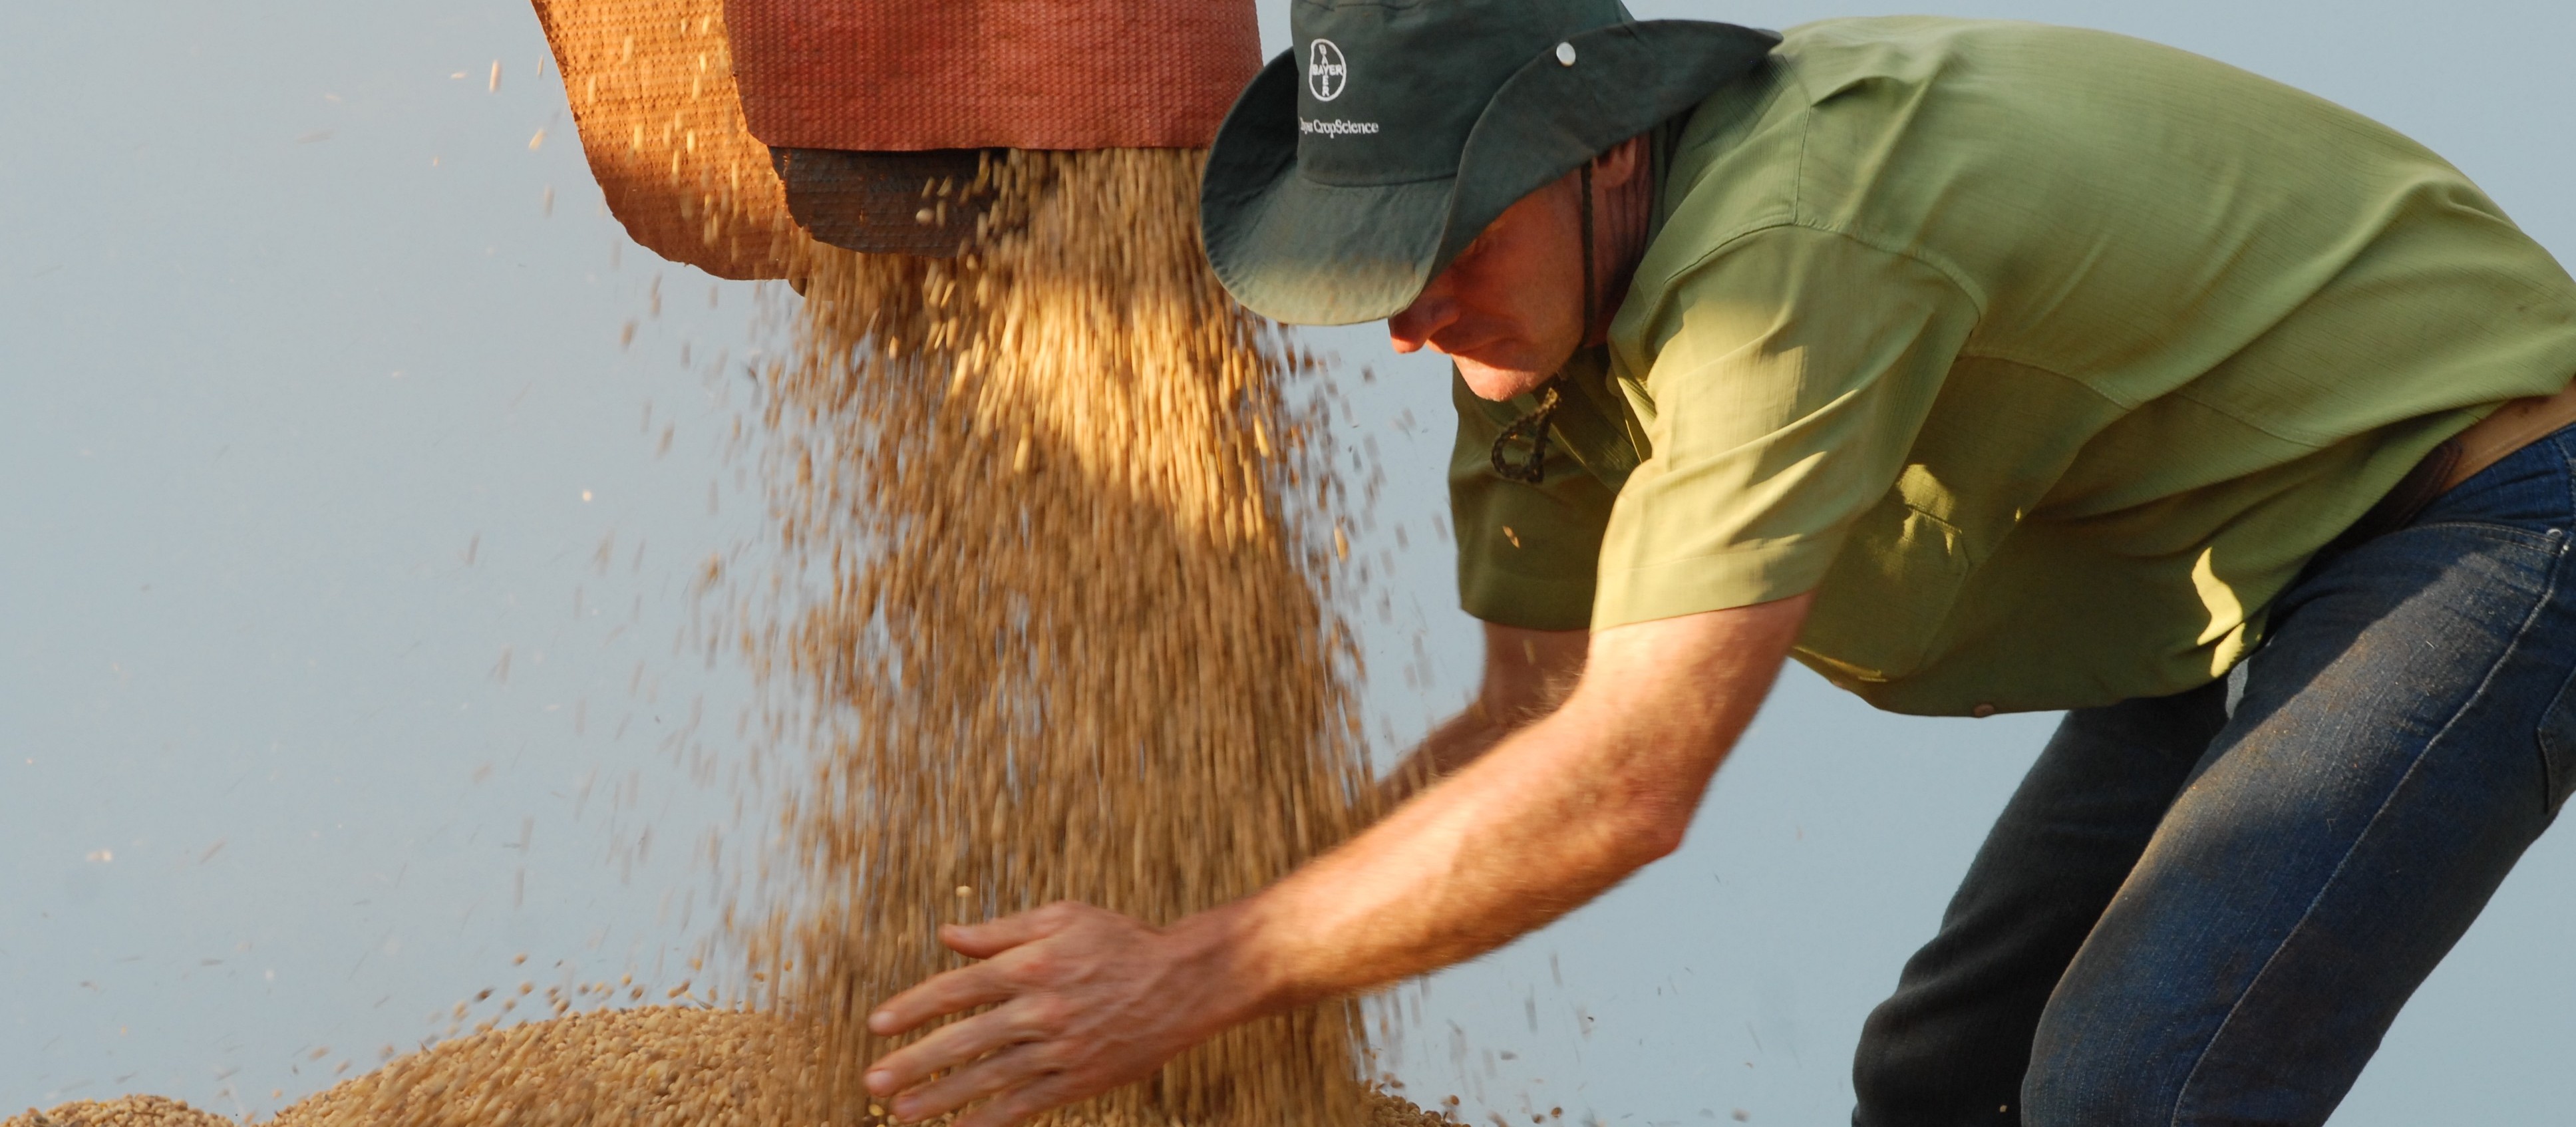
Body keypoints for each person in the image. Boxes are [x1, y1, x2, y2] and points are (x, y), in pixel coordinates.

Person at [859, 3, 2576, 1125]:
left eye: (1432, 246)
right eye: (1361, 268)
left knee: (2136, 1089)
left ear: (1607, 148)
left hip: (2487, 514)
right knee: (1940, 1079)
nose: (1401, 319)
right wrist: (1203, 919)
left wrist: (1192, 977)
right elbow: (1525, 726)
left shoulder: (1779, 251)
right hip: (2229, 564)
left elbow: (1620, 785)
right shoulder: (1523, 334)